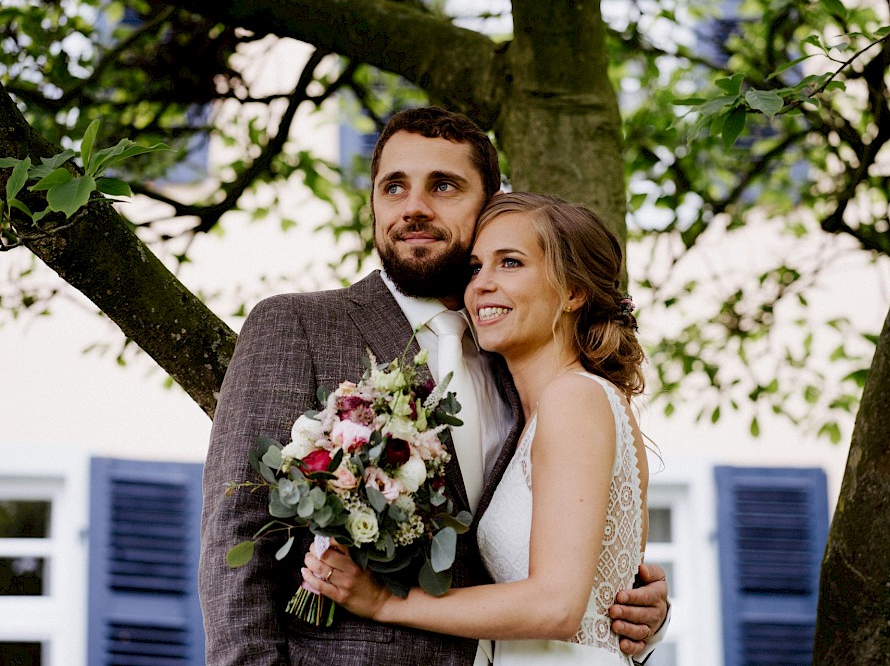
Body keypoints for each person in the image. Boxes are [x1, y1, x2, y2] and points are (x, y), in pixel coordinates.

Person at [199, 108, 668, 665]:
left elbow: (558, 569)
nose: (414, 207)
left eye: (443, 186)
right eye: (393, 187)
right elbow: (237, 545)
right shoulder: (297, 327)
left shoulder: (520, 358)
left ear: (489, 204)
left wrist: (638, 613)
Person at [303, 192, 651, 664]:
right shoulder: (530, 414)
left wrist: (387, 602)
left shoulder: (575, 399)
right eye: (475, 268)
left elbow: (556, 608)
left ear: (573, 292)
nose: (481, 285)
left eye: (510, 263)